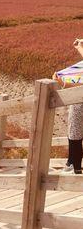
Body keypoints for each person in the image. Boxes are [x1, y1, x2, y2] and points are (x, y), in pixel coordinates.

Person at [54, 39, 83, 175]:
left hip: (79, 102)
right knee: (75, 132)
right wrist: (79, 47)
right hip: (78, 101)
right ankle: (72, 163)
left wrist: (62, 83)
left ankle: (75, 166)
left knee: (75, 133)